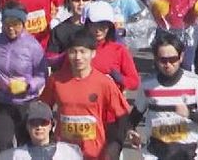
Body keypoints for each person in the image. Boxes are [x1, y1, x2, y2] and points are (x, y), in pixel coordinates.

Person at [40, 27, 132, 160]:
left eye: (83, 52)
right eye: (73, 52)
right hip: (64, 152)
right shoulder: (55, 80)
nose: (78, 57)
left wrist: (116, 145)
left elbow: (123, 115)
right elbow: (42, 109)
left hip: (94, 153)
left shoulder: (104, 83)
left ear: (93, 53)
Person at [128, 32, 198, 160]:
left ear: (181, 57)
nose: (168, 64)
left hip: (187, 153)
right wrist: (131, 131)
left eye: (173, 59)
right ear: (155, 59)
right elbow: (135, 115)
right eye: (162, 60)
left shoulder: (195, 82)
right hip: (155, 153)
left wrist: (189, 114)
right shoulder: (148, 85)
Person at [0, 2, 48, 156]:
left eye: (16, 24)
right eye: (7, 24)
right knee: (2, 146)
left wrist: (28, 85)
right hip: (1, 102)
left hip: (26, 103)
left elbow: (42, 74)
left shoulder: (32, 46)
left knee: (25, 147)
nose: (11, 29)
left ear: (23, 23)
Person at [0, 100, 83, 159]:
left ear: (51, 125)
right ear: (27, 126)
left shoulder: (70, 153)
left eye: (44, 122)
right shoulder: (12, 156)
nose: (39, 127)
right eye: (34, 123)